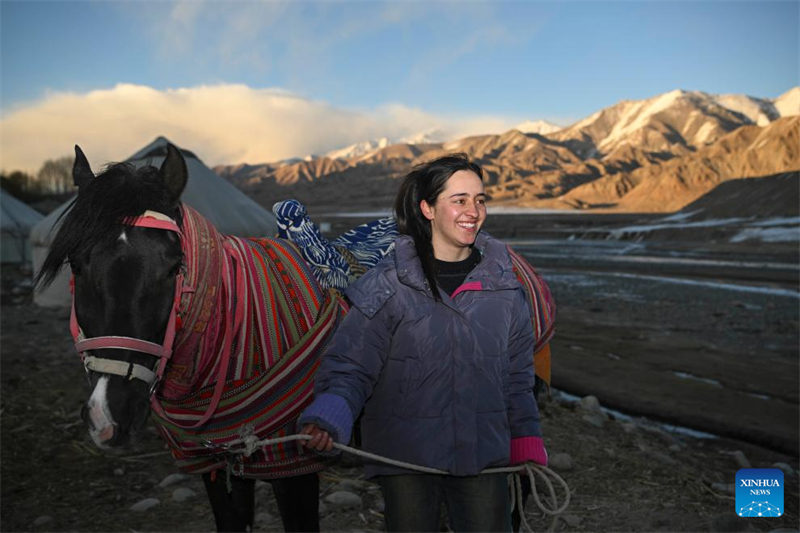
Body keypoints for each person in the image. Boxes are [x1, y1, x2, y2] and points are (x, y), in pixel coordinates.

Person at [298, 153, 547, 532]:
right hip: (406, 457)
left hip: (483, 454)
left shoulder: (505, 288)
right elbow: (351, 364)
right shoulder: (387, 286)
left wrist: (526, 436)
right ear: (428, 208)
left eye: (480, 199)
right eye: (459, 200)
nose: (473, 211)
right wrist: (331, 413)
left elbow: (517, 378)